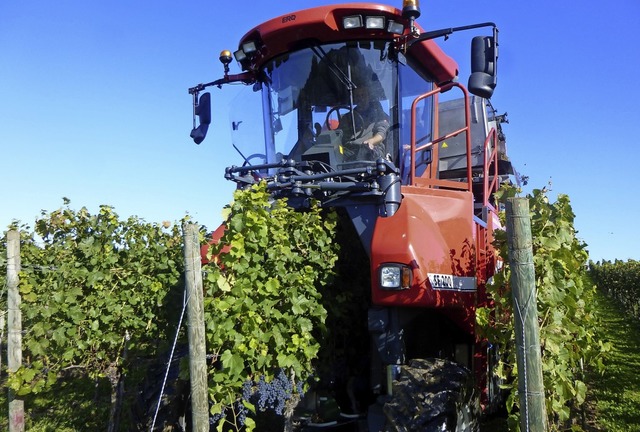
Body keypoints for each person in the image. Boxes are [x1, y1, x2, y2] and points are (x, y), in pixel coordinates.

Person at [339, 85, 390, 161]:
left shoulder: (378, 114)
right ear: (354, 99)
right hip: (350, 151)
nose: (361, 98)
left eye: (363, 95)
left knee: (366, 152)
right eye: (357, 96)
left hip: (370, 150)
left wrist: (371, 141)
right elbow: (338, 136)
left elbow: (381, 133)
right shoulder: (347, 118)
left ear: (368, 97)